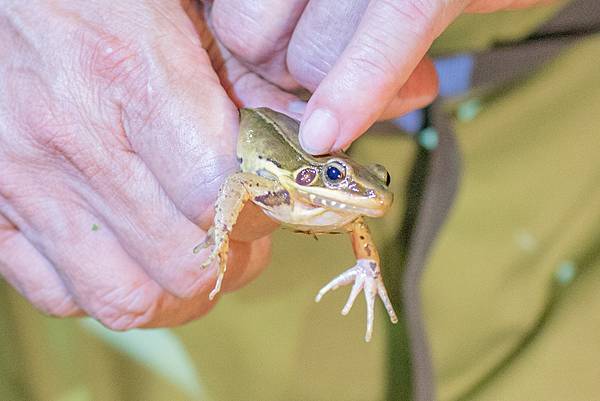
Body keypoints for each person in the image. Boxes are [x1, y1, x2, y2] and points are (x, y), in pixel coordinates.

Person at [2, 0, 599, 400]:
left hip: (548, 175)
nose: (360, 195)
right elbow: (234, 183)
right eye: (343, 180)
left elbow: (353, 220)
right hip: (104, 158)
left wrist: (366, 268)